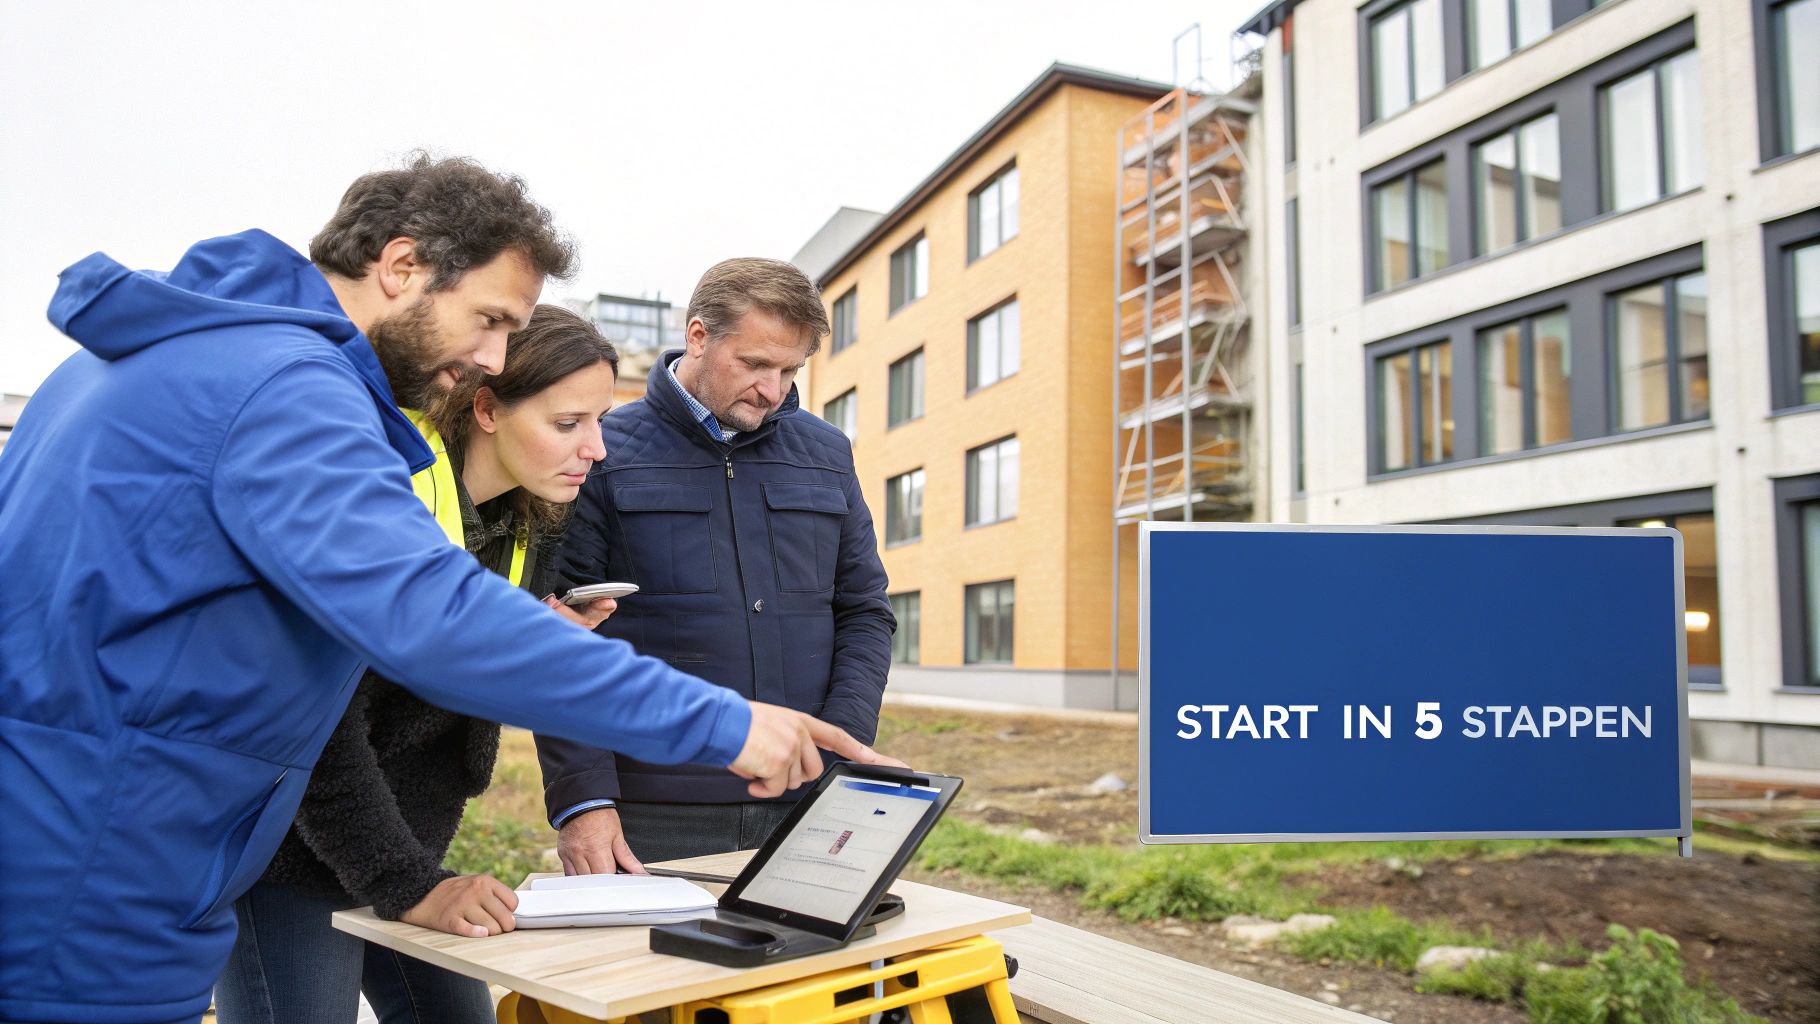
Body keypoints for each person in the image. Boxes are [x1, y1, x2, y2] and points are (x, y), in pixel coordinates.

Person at [0, 156, 895, 1024]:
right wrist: (729, 724)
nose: (494, 355)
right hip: (100, 871)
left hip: (99, 841)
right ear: (401, 268)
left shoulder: (149, 360)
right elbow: (432, 618)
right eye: (491, 318)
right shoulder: (287, 387)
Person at [214, 304, 621, 1024]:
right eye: (568, 424)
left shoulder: (530, 523)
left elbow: (439, 689)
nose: (596, 449)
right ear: (488, 407)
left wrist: (533, 647)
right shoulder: (381, 501)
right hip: (291, 849)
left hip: (404, 841)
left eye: (599, 423)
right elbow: (315, 729)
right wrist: (407, 883)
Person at [536, 258, 896, 875]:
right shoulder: (601, 451)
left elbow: (865, 612)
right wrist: (583, 799)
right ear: (698, 336)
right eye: (755, 364)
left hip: (809, 799)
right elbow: (557, 638)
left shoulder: (827, 453)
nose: (773, 389)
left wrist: (834, 747)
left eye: (790, 369)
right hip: (652, 810)